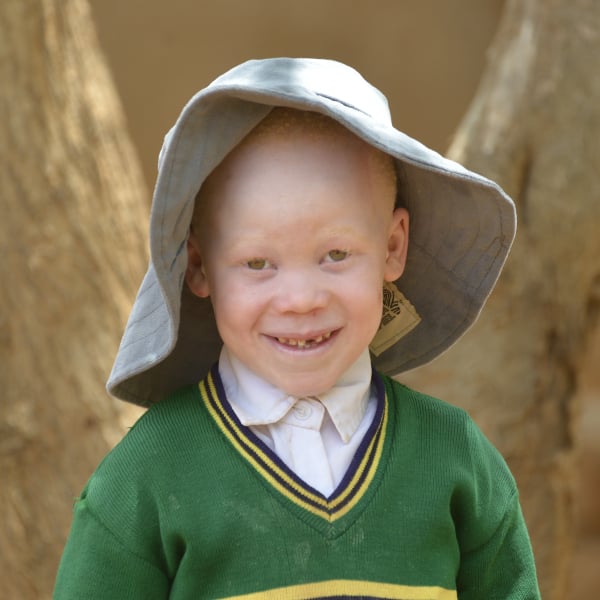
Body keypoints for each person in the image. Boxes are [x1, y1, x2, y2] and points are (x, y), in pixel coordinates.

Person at [54, 58, 540, 599]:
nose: (302, 300)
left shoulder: (456, 461)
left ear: (392, 247)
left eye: (336, 254)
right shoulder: (145, 480)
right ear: (198, 267)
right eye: (258, 263)